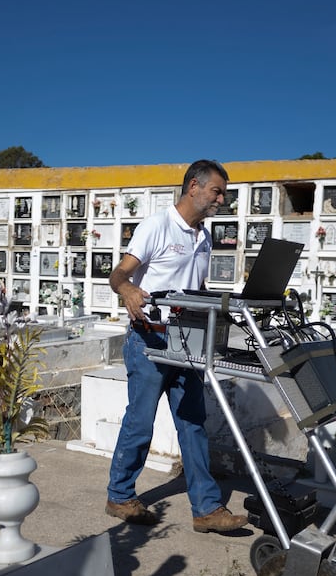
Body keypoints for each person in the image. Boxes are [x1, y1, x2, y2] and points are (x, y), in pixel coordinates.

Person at [105, 160, 248, 533]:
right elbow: (118, 273)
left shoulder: (204, 236)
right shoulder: (156, 225)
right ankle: (119, 496)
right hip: (149, 339)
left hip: (186, 341)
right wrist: (129, 289)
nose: (221, 199)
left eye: (223, 193)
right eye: (217, 191)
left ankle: (206, 510)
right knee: (140, 421)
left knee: (193, 425)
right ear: (193, 187)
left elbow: (192, 289)